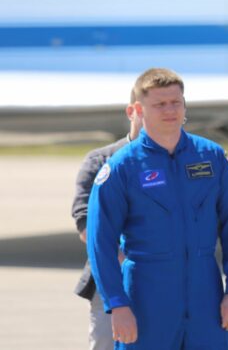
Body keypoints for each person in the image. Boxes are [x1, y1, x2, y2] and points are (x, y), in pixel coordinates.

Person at [87, 68, 228, 349]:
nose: (169, 110)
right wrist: (117, 305)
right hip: (145, 298)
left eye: (176, 102)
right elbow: (100, 241)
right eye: (159, 104)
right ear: (139, 109)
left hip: (205, 297)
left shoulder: (212, 157)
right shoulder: (122, 167)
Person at [72, 89, 141, 350]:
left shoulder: (182, 159)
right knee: (106, 343)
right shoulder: (101, 160)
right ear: (132, 111)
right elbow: (86, 225)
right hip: (110, 278)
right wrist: (128, 262)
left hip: (166, 277)